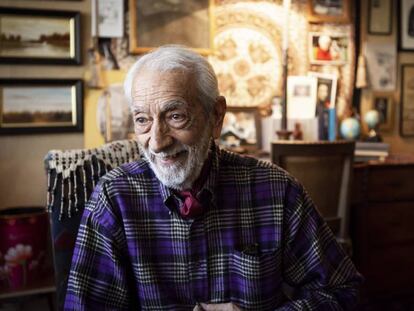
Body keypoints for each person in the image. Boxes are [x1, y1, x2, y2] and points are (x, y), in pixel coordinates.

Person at [64, 45, 363, 310]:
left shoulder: (275, 190)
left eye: (175, 116)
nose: (157, 141)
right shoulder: (115, 199)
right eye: (142, 120)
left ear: (216, 116)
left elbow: (342, 291)